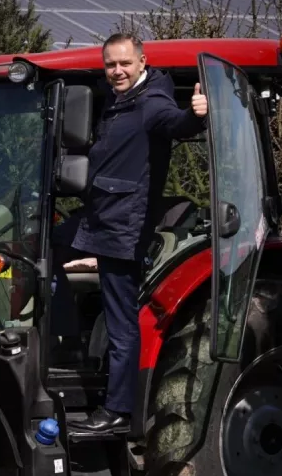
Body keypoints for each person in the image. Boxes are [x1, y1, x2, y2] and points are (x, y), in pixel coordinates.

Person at [70, 33, 208, 434]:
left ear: (142, 62)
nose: (117, 71)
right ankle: (68, 346)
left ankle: (118, 409)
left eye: (125, 63)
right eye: (110, 64)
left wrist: (195, 114)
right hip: (101, 219)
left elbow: (175, 123)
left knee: (121, 323)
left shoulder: (151, 103)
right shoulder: (118, 101)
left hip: (122, 229)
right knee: (36, 251)